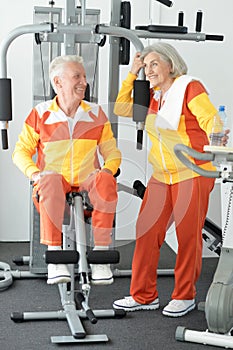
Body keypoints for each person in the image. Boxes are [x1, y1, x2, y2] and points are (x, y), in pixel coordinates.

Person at [112, 42, 229, 317]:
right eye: (147, 64)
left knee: (188, 236)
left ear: (170, 64)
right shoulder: (152, 98)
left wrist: (216, 150)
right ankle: (143, 295)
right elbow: (120, 107)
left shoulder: (189, 87)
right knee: (147, 232)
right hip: (162, 175)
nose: (149, 70)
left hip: (191, 171)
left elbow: (213, 121)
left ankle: (184, 295)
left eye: (154, 64)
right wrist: (133, 73)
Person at [12, 55, 121, 286]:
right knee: (49, 179)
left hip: (87, 182)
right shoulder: (41, 114)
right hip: (54, 186)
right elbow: (20, 152)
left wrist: (108, 170)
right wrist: (35, 174)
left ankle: (100, 258)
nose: (84, 81)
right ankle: (56, 258)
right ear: (58, 82)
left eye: (83, 76)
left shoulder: (95, 113)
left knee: (104, 180)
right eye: (76, 76)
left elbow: (112, 151)